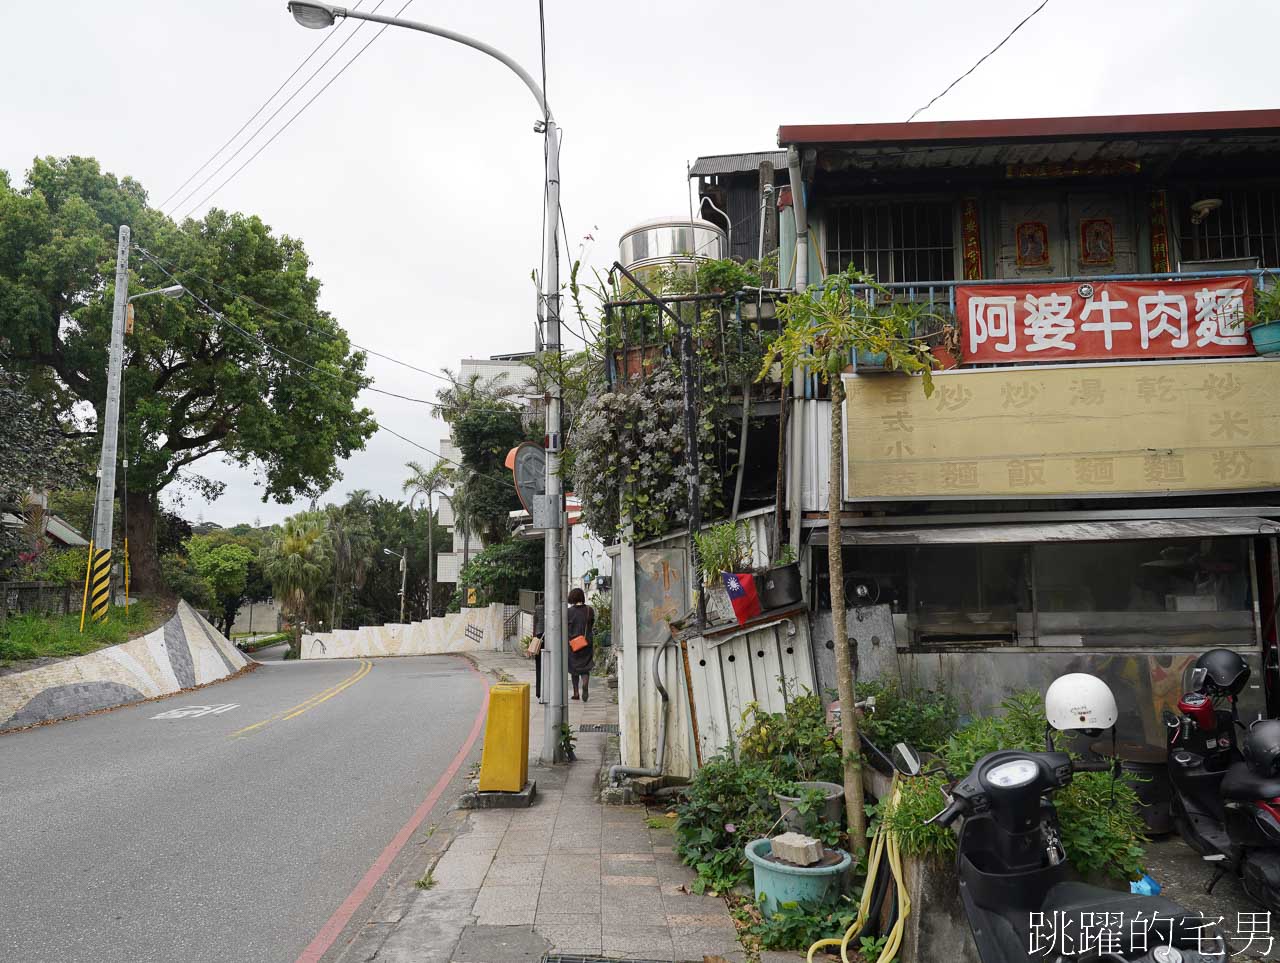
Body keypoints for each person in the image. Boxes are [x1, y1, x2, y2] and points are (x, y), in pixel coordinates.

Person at [567, 587, 594, 702]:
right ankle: (585, 684)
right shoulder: (589, 610)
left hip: (573, 643)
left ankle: (576, 693)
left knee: (574, 669)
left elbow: (566, 628)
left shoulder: (569, 612)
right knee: (585, 667)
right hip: (586, 642)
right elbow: (591, 625)